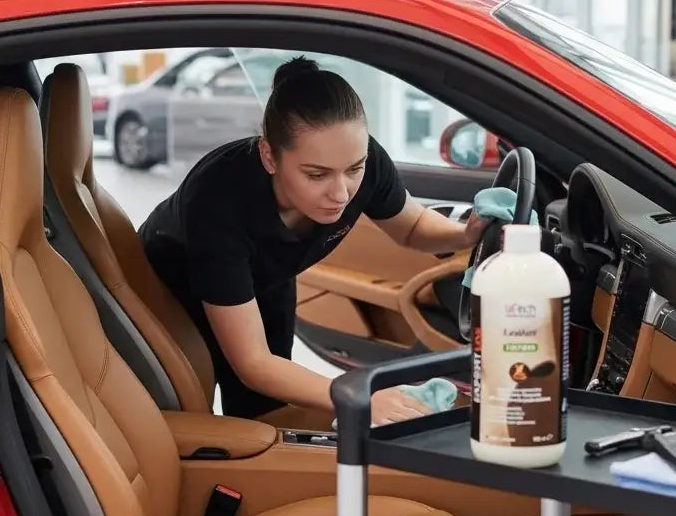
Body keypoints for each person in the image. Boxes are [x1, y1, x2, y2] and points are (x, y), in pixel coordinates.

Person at [138, 56, 492, 429]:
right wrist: (358, 398)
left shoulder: (364, 165)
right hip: (175, 287)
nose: (341, 194)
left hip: (266, 277)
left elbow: (412, 226)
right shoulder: (217, 203)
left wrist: (467, 234)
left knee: (264, 411)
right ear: (269, 156)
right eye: (316, 174)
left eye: (353, 169)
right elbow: (253, 362)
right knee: (194, 406)